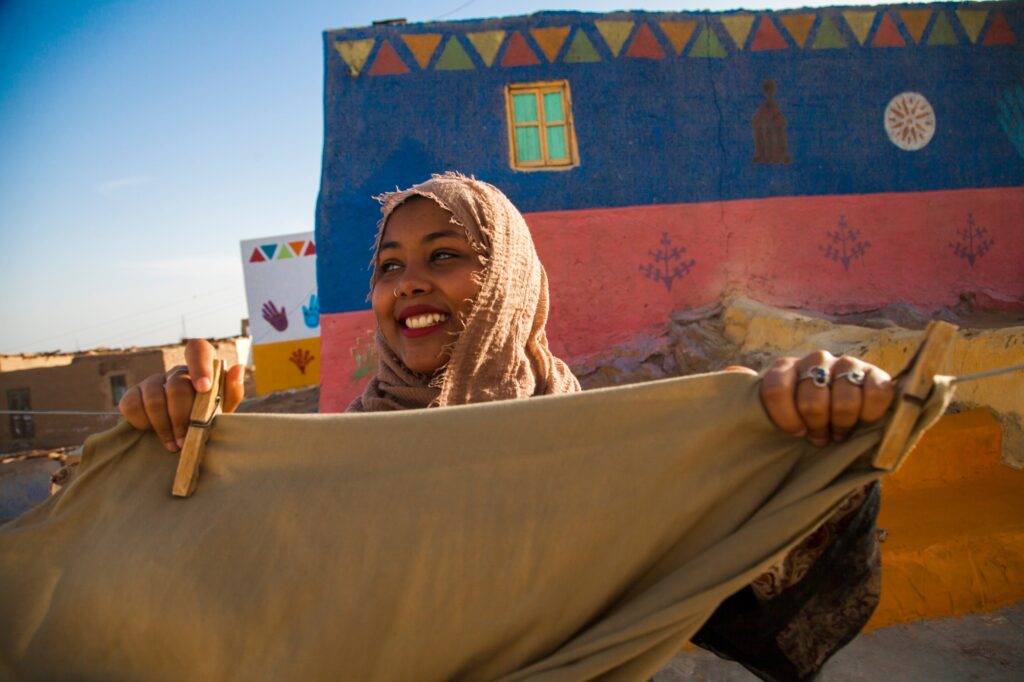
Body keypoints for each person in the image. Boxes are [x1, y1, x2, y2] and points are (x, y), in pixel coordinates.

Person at [119, 173, 894, 680]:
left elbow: (765, 617)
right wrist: (169, 442)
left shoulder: (597, 452)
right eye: (388, 265)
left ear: (509, 282)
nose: (408, 281)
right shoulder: (332, 458)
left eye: (446, 254)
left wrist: (799, 436)